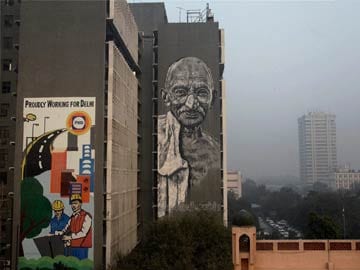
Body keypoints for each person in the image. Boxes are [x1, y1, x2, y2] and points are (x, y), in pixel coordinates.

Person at [158, 57, 220, 217]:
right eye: (181, 92)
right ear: (166, 97)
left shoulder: (215, 151)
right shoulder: (155, 139)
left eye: (201, 93)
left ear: (212, 98)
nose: (191, 103)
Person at [61, 194, 92, 260]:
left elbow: (83, 233)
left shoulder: (86, 216)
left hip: (82, 247)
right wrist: (59, 233)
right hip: (72, 246)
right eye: (72, 203)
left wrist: (70, 237)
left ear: (80, 204)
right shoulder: (71, 217)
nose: (73, 206)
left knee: (81, 264)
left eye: (76, 203)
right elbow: (66, 228)